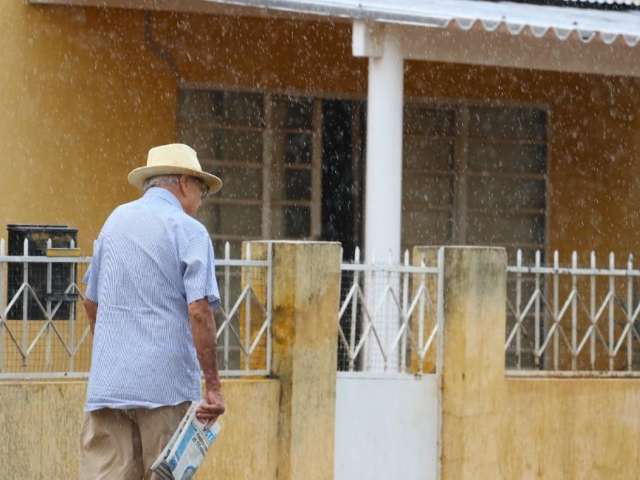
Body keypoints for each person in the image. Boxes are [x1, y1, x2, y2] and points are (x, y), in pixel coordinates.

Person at [79, 143, 226, 480]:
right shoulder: (188, 230)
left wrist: (112, 353)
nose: (201, 200)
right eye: (202, 189)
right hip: (165, 387)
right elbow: (199, 311)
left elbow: (91, 301)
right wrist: (214, 387)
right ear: (184, 183)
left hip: (109, 386)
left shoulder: (115, 220)